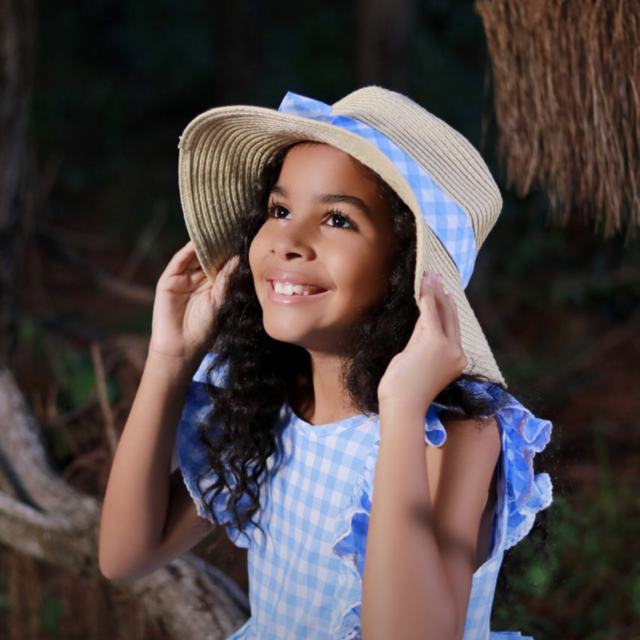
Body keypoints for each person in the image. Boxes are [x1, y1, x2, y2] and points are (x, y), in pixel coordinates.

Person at [99, 87, 554, 640]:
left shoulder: (455, 436)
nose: (288, 240)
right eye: (280, 210)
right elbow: (125, 556)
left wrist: (402, 409)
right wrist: (169, 359)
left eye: (337, 219)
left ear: (407, 269)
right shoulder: (265, 404)